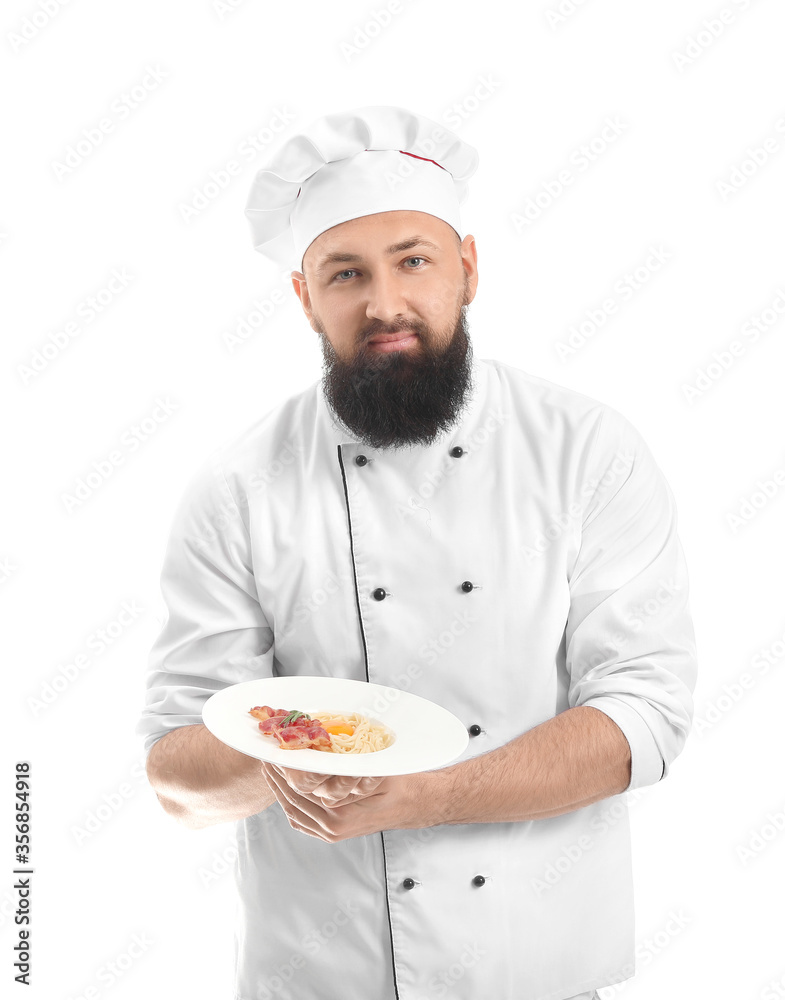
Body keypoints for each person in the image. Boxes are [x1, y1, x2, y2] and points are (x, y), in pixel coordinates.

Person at [137, 105, 698, 1000]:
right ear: (304, 296)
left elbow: (646, 714)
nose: (385, 303)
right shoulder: (238, 487)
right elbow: (176, 777)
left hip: (535, 976)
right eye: (346, 273)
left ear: (468, 269)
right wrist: (280, 757)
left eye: (413, 260)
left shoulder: (588, 450)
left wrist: (429, 795)